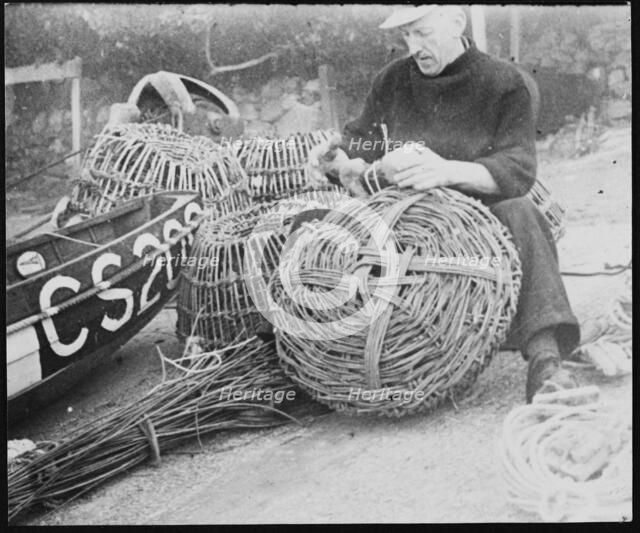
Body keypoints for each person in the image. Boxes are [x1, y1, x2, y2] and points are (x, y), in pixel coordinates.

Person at [299, 5, 581, 403]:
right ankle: (335, 360)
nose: (414, 47)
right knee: (321, 231)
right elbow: (361, 141)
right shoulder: (393, 80)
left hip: (483, 216)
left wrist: (448, 171)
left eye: (423, 32)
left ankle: (545, 360)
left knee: (522, 211)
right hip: (407, 216)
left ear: (456, 23)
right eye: (407, 36)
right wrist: (335, 158)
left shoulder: (503, 82)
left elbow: (517, 169)